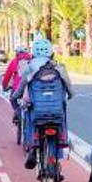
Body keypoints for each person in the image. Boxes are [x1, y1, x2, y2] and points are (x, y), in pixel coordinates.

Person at [13, 35, 72, 168]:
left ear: (33, 52)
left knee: (29, 116)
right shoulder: (59, 67)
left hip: (37, 111)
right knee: (62, 111)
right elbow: (68, 84)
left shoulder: (29, 67)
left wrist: (15, 97)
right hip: (56, 111)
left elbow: (21, 86)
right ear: (51, 52)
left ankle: (32, 147)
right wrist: (71, 95)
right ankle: (62, 140)